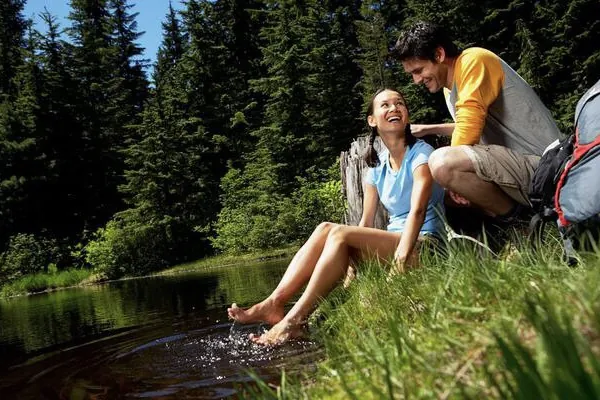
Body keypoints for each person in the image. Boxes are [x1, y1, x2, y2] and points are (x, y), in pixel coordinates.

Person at [227, 88, 445, 346]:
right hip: (392, 242)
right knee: (325, 229)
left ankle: (292, 321)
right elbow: (365, 224)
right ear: (372, 120)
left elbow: (418, 211)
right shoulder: (376, 168)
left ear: (407, 115)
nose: (394, 108)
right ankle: (275, 303)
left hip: (424, 245)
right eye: (385, 105)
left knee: (339, 233)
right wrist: (353, 266)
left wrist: (399, 261)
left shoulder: (421, 153)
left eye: (399, 103)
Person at [392, 21, 561, 223]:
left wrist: (451, 180)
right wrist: (430, 129)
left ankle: (522, 223)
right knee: (437, 188)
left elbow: (469, 127)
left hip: (548, 166)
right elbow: (474, 124)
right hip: (521, 167)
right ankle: (502, 234)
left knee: (442, 164)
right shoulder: (449, 89)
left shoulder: (473, 60)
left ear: (439, 55)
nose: (416, 80)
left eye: (418, 70)